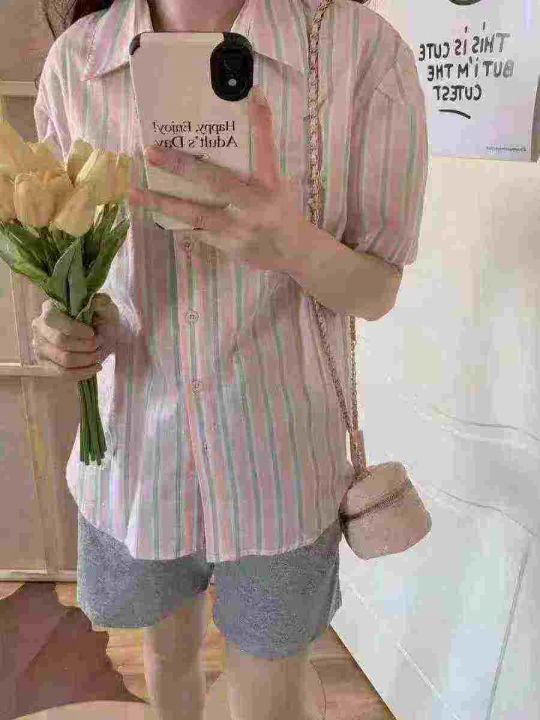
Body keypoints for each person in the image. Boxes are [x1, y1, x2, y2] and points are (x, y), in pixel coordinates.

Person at [33, 1, 428, 719]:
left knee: (270, 696)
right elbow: (86, 269)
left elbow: (377, 291)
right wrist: (68, 324)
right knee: (166, 663)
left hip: (282, 467)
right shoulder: (77, 63)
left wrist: (293, 245)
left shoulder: (361, 52)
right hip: (137, 459)